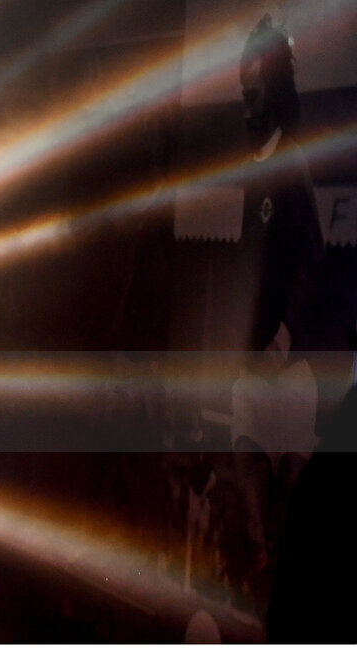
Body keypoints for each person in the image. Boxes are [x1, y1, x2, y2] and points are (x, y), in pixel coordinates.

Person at [227, 14, 324, 616]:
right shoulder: (255, 169)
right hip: (253, 361)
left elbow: (312, 255)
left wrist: (284, 335)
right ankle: (261, 575)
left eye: (253, 81)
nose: (245, 94)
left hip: (287, 363)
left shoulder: (294, 162)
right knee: (245, 460)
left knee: (289, 479)